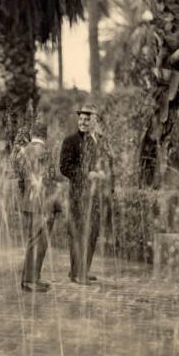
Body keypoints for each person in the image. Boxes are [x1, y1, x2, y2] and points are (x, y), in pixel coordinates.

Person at [60, 104, 111, 284]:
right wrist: (87, 174)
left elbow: (107, 163)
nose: (82, 122)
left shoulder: (101, 140)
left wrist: (106, 174)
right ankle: (77, 274)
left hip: (96, 196)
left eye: (87, 119)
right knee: (78, 233)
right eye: (81, 119)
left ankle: (83, 270)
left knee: (92, 233)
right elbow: (64, 168)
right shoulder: (70, 141)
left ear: (95, 120)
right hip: (78, 196)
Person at [17, 122, 60, 293]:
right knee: (39, 243)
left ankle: (28, 278)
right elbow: (48, 179)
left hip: (29, 202)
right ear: (44, 135)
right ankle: (31, 280)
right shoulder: (44, 152)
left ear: (32, 134)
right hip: (42, 204)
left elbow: (21, 180)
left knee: (32, 241)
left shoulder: (24, 151)